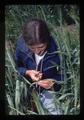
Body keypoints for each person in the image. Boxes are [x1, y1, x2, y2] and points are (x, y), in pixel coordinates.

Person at [15, 18, 64, 115]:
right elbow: (16, 68)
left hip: (49, 90)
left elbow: (67, 72)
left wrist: (54, 81)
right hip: (27, 89)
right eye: (32, 48)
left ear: (48, 39)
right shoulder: (21, 46)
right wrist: (28, 72)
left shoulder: (58, 48)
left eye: (41, 47)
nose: (37, 51)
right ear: (26, 42)